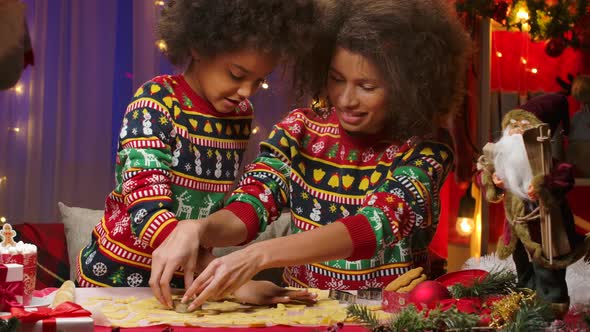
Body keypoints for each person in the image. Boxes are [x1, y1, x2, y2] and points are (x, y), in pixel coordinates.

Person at [150, 0, 471, 310]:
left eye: (367, 86)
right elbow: (251, 205)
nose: (346, 99)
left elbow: (375, 224)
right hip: (303, 315)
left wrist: (259, 255)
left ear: (406, 86)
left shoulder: (427, 149)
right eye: (336, 79)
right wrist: (197, 228)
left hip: (393, 317)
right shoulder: (299, 129)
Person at [77, 0, 317, 305]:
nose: (246, 91)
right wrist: (231, 284)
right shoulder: (155, 102)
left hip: (189, 286)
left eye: (259, 80)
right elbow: (146, 213)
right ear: (198, 47)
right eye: (236, 74)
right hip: (116, 280)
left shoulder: (241, 115)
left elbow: (214, 214)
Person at [476, 94, 590, 318]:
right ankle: (526, 293)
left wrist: (542, 185)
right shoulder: (505, 161)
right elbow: (485, 181)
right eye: (513, 125)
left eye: (524, 125)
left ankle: (552, 301)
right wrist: (493, 180)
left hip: (545, 227)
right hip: (517, 229)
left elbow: (564, 178)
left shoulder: (548, 163)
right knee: (521, 262)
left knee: (546, 264)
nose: (517, 130)